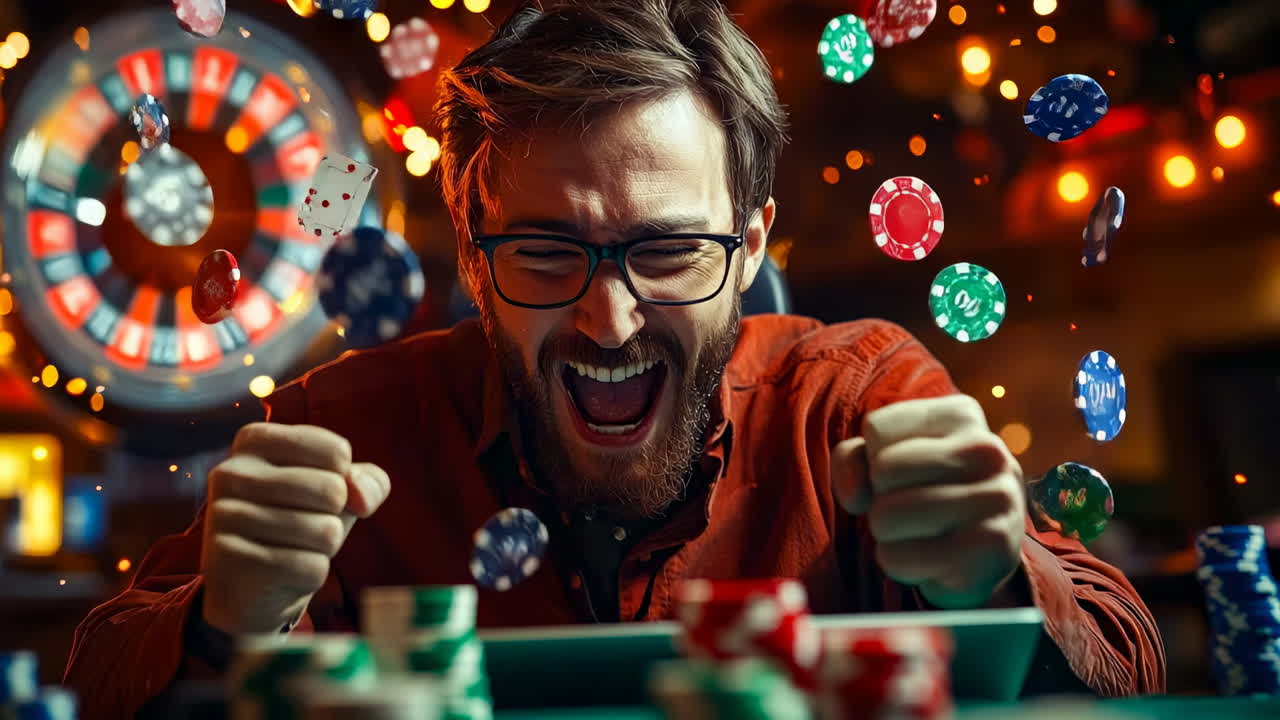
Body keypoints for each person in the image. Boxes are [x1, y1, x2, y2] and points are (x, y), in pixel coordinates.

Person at [63, 0, 1166, 715]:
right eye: (544, 250)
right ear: (471, 244)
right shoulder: (340, 429)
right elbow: (93, 678)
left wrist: (988, 582)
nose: (608, 318)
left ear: (749, 247)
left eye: (668, 249)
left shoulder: (856, 399)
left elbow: (1134, 663)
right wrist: (221, 622)